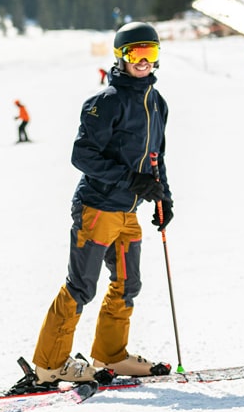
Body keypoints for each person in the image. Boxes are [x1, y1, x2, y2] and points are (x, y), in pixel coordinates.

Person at [31, 21, 174, 385]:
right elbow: (83, 156)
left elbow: (157, 156)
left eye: (150, 53)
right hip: (97, 208)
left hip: (129, 212)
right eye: (135, 53)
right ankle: (50, 364)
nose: (143, 61)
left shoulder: (157, 103)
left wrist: (164, 197)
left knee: (128, 284)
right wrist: (130, 180)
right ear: (120, 56)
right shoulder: (105, 102)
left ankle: (112, 354)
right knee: (81, 286)